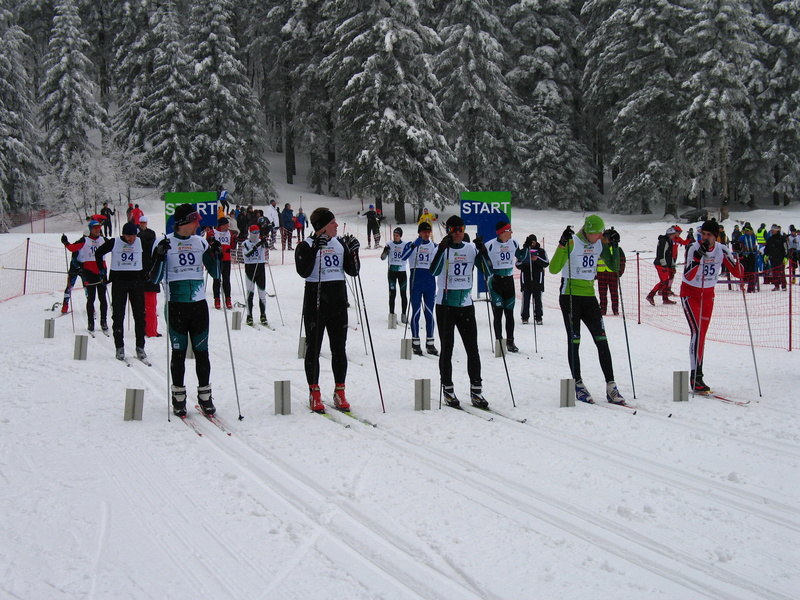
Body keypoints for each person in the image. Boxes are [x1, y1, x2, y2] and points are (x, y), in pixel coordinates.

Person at [150, 203, 222, 416]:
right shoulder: (164, 242)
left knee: (202, 352)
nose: (198, 225)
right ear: (183, 222)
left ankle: (205, 396)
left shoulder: (200, 242)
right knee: (179, 352)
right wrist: (159, 256)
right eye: (195, 221)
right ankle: (179, 397)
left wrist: (215, 254)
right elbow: (154, 279)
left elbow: (216, 273)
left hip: (198, 306)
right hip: (176, 305)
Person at [548, 215, 626, 405]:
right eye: (597, 233)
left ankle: (611, 385)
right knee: (575, 341)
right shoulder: (572, 242)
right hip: (570, 296)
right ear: (588, 231)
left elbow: (614, 267)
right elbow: (553, 268)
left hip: (590, 297)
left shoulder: (599, 243)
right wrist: (561, 245)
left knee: (602, 340)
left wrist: (614, 246)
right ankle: (578, 383)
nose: (600, 236)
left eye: (601, 233)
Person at [295, 207, 361, 413]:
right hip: (315, 301)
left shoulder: (339, 243)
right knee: (313, 348)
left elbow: (353, 271)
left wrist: (354, 252)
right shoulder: (305, 245)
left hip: (338, 302)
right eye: (332, 223)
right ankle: (314, 392)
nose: (336, 225)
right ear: (322, 226)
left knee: (339, 349)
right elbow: (303, 271)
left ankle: (340, 391)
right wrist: (316, 247)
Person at [430, 215, 492, 408]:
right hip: (445, 305)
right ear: (448, 230)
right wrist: (442, 248)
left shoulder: (470, 248)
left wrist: (483, 251)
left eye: (461, 229)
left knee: (472, 349)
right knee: (447, 349)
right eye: (454, 229)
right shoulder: (442, 248)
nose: (457, 233)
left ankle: (476, 391)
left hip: (465, 305)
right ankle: (448, 389)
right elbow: (433, 271)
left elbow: (488, 271)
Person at [679, 220, 743, 393]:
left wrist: (738, 256)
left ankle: (698, 376)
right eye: (703, 234)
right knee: (697, 332)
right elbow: (688, 275)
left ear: (716, 236)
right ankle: (696, 377)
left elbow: (738, 273)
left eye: (709, 235)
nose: (705, 238)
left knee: (702, 335)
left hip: (708, 295)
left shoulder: (722, 249)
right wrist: (697, 258)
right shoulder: (693, 247)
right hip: (690, 294)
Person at [94, 222, 151, 360]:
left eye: (133, 236)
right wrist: (102, 272)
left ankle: (140, 347)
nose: (131, 239)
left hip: (136, 281)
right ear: (123, 234)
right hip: (119, 281)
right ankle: (119, 347)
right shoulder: (115, 242)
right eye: (128, 236)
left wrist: (147, 271)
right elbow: (98, 253)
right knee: (118, 315)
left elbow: (150, 254)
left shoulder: (140, 241)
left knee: (139, 315)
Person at [61, 220, 109, 333]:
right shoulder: (84, 240)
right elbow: (73, 248)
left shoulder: (104, 240)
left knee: (103, 298)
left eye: (99, 228)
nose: (98, 230)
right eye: (95, 228)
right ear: (90, 229)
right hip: (89, 272)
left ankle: (104, 321)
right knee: (91, 298)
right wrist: (66, 242)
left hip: (101, 272)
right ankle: (90, 323)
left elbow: (116, 246)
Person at [401, 221, 439, 356]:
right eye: (424, 232)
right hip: (416, 282)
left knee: (429, 312)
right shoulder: (411, 245)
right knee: (416, 312)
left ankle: (430, 343)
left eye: (428, 232)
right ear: (419, 233)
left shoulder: (434, 246)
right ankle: (415, 342)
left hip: (429, 282)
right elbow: (403, 257)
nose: (426, 234)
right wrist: (414, 245)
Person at [485, 221, 520, 352]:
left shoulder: (514, 243)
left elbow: (521, 257)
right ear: (502, 232)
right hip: (496, 282)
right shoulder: (490, 245)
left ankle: (510, 342)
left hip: (509, 281)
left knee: (509, 313)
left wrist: (528, 249)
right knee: (498, 313)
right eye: (509, 230)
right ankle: (499, 343)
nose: (511, 233)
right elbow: (480, 260)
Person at [136, 216, 161, 337]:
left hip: (143, 277)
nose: (142, 224)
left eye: (144, 223)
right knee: (149, 307)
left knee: (145, 307)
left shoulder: (140, 240)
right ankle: (150, 330)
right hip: (148, 278)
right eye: (141, 223)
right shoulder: (153, 251)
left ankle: (147, 329)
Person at [516, 234, 548, 325]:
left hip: (538, 280)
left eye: (534, 242)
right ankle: (525, 317)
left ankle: (538, 317)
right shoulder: (524, 251)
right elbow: (518, 264)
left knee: (538, 299)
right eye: (531, 242)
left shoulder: (541, 251)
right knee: (525, 299)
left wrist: (537, 259)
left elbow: (546, 263)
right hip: (526, 280)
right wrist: (526, 260)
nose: (532, 244)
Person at [646, 225, 683, 306]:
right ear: (670, 234)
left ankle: (665, 299)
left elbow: (670, 254)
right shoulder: (664, 241)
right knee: (664, 281)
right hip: (661, 264)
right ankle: (651, 295)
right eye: (674, 234)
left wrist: (672, 264)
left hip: (666, 264)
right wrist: (664, 265)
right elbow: (661, 254)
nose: (675, 235)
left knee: (665, 281)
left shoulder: (669, 240)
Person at [240, 225, 270, 326]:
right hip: (250, 268)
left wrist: (264, 243)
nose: (256, 235)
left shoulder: (261, 241)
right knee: (250, 293)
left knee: (262, 293)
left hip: (260, 268)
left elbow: (267, 248)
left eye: (258, 232)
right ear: (250, 233)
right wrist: (256, 246)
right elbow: (246, 254)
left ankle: (263, 315)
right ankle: (249, 316)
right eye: (254, 232)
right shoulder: (245, 243)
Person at [206, 217, 237, 309]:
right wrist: (210, 240)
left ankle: (228, 299)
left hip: (226, 259)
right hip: (216, 259)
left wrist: (235, 240)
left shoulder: (230, 233)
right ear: (222, 225)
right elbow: (208, 243)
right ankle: (217, 299)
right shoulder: (213, 232)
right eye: (227, 224)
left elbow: (232, 246)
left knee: (226, 280)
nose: (228, 226)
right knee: (216, 279)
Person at [380, 227, 409, 322]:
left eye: (397, 235)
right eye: (394, 235)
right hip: (392, 271)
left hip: (402, 271)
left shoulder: (405, 244)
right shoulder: (389, 244)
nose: (395, 237)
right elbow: (382, 257)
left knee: (403, 294)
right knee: (392, 294)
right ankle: (392, 314)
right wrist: (386, 251)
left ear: (400, 236)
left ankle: (404, 314)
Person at [596, 228, 627, 314]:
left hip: (613, 273)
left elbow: (622, 261)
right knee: (602, 293)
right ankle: (602, 309)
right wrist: (594, 272)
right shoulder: (600, 249)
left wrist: (620, 271)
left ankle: (615, 309)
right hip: (601, 273)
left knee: (614, 293)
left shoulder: (617, 248)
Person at [764, 224, 787, 291]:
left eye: (773, 230)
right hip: (773, 258)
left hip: (781, 258)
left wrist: (786, 257)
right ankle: (776, 286)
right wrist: (766, 255)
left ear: (777, 230)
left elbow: (786, 248)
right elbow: (767, 248)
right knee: (774, 272)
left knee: (781, 272)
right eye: (771, 230)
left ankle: (784, 286)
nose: (772, 231)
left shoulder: (782, 239)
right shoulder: (770, 239)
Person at [737, 223, 759, 292]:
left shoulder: (753, 237)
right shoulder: (742, 237)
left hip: (751, 255)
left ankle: (751, 287)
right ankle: (743, 285)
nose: (747, 232)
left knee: (751, 272)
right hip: (744, 256)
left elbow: (754, 245)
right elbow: (739, 246)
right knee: (744, 272)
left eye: (748, 230)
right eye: (746, 230)